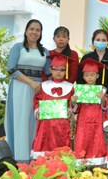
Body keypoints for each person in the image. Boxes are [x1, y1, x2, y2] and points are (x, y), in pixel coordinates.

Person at [5, 19, 51, 162]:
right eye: (31, 29)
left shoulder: (45, 52)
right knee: (20, 121)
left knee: (35, 122)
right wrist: (31, 83)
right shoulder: (18, 48)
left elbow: (49, 73)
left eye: (38, 30)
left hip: (38, 91)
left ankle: (34, 157)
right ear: (26, 31)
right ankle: (19, 158)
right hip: (19, 88)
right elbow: (11, 69)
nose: (34, 32)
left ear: (41, 33)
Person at [31, 53, 75, 158]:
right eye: (55, 69)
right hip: (45, 126)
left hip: (62, 126)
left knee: (62, 154)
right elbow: (36, 100)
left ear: (66, 71)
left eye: (62, 70)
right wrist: (37, 111)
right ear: (50, 70)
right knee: (44, 153)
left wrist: (70, 109)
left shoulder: (71, 87)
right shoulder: (43, 86)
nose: (58, 72)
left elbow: (72, 105)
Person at [72, 58, 108, 166]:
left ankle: (96, 163)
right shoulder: (79, 90)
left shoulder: (101, 90)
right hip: (83, 120)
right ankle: (81, 164)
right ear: (83, 77)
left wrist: (103, 99)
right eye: (87, 75)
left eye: (92, 75)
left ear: (97, 76)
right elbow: (76, 109)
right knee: (82, 140)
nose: (90, 77)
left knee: (96, 140)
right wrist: (73, 101)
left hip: (97, 120)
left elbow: (105, 107)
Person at [77, 29, 108, 93]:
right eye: (98, 40)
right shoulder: (87, 58)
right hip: (88, 93)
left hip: (107, 93)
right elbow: (80, 78)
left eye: (104, 40)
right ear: (93, 41)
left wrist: (104, 91)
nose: (101, 42)